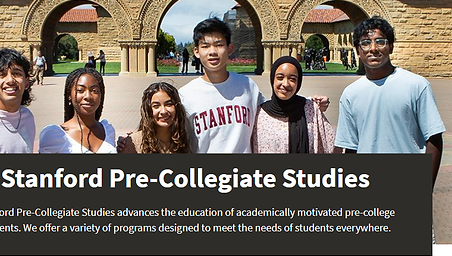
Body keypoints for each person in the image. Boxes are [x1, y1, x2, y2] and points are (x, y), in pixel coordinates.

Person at [334, 17, 445, 242]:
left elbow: (434, 138)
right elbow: (348, 148)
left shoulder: (416, 85)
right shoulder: (351, 94)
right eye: (365, 43)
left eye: (380, 41)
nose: (373, 48)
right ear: (357, 50)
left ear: (391, 46)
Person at [178, 18, 266, 153]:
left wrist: (308, 104)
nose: (212, 51)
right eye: (205, 46)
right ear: (196, 51)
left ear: (229, 48)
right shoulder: (185, 95)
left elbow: (274, 114)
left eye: (219, 45)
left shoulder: (248, 86)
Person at [252, 56, 337, 154]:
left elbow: (333, 145)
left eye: (292, 79)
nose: (285, 84)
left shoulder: (310, 110)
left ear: (298, 82)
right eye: (280, 78)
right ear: (272, 79)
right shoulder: (258, 114)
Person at [39, 67, 117, 153]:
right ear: (69, 95)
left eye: (95, 91)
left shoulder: (108, 130)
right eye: (80, 90)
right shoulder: (54, 136)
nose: (88, 96)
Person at [117, 82, 191, 153]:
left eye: (168, 104)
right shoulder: (133, 144)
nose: (163, 111)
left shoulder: (185, 140)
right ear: (148, 110)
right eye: (156, 106)